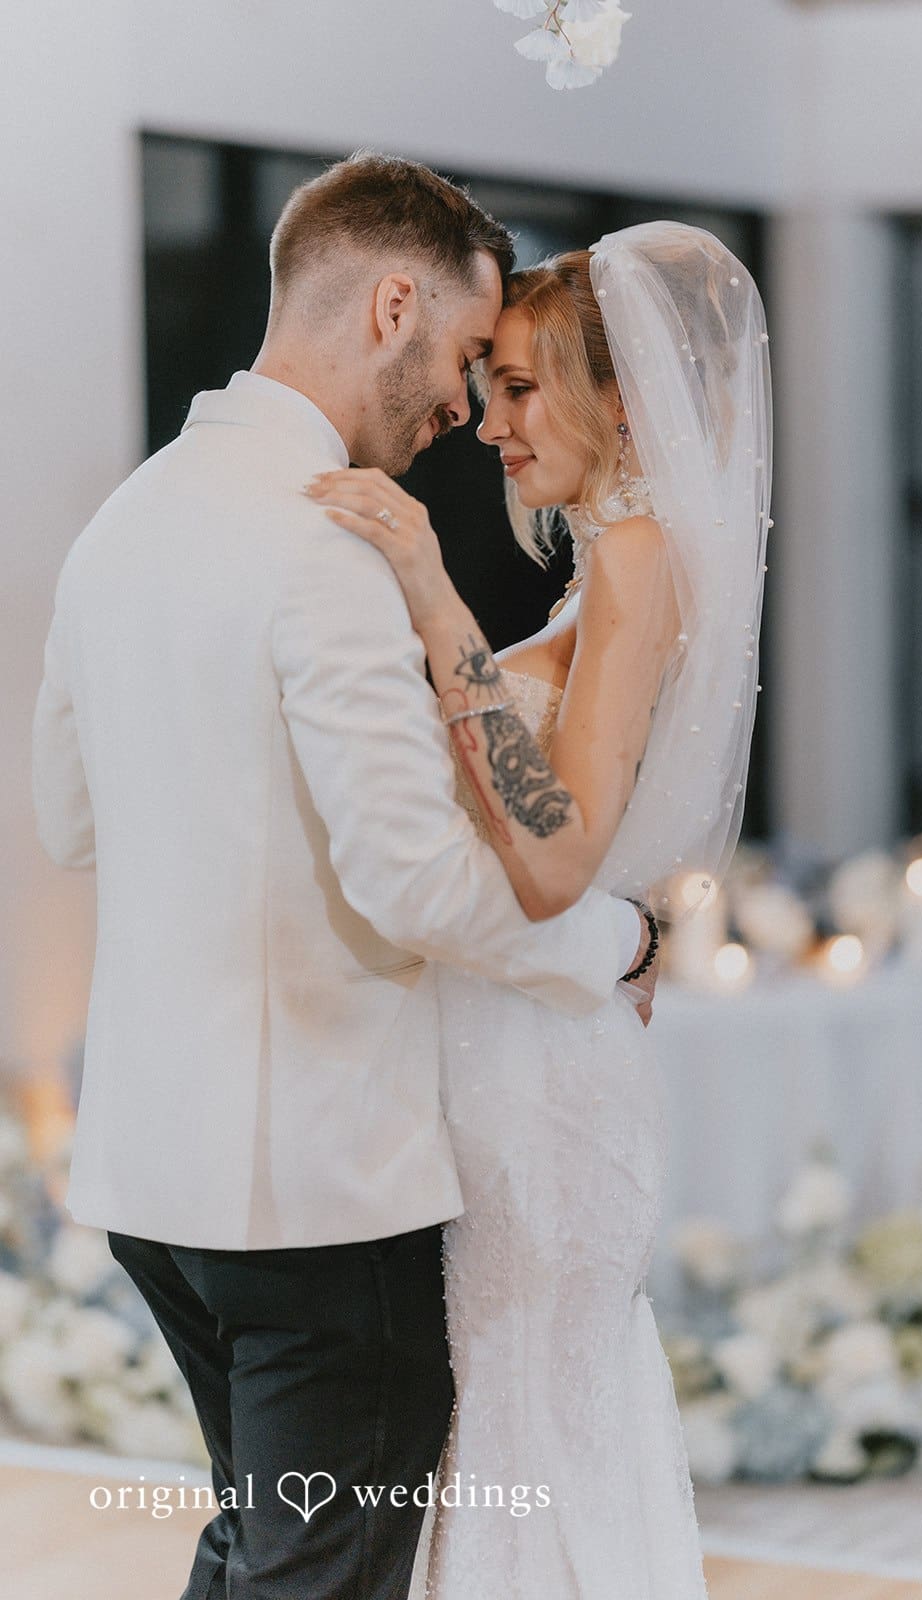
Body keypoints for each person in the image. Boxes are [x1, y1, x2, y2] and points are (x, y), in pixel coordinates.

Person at [30, 155, 657, 1600]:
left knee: (260, 1549)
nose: (462, 408)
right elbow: (415, 885)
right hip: (312, 1188)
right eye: (463, 354)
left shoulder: (125, 520)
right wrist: (612, 946)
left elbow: (69, 818)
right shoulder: (324, 539)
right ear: (390, 306)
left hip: (153, 1180)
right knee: (318, 1574)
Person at [308, 221, 771, 1598]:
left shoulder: (639, 559)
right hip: (521, 1042)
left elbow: (557, 854)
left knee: (528, 1417)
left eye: (520, 388)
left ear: (622, 400)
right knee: (522, 1418)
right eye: (488, 386)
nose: (492, 425)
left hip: (543, 1077)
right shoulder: (619, 562)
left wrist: (432, 595)